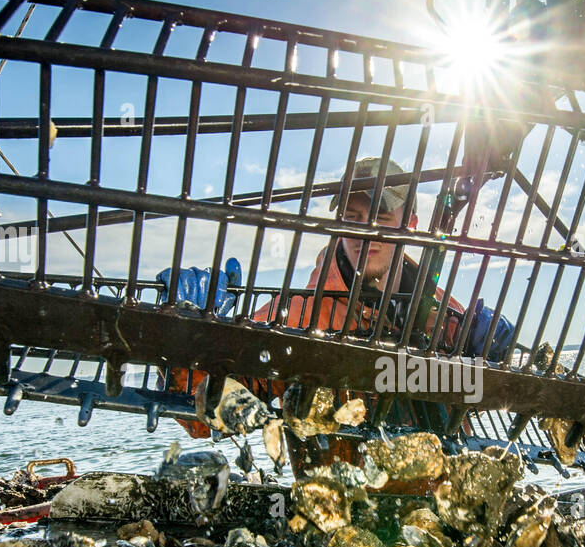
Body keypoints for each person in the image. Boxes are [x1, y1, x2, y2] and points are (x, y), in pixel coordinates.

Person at [168, 157, 513, 437]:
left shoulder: (439, 308)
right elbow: (206, 416)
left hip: (447, 502)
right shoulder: (299, 315)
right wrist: (192, 343)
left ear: (410, 223)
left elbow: (480, 394)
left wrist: (494, 357)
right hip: (340, 508)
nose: (364, 233)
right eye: (353, 218)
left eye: (380, 218)